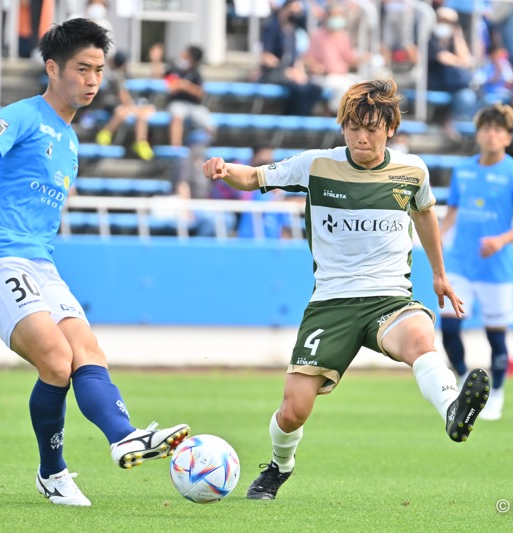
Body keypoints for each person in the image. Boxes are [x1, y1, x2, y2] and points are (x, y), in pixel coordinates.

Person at [202, 79, 490, 501]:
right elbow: (258, 177)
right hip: (331, 303)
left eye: (371, 127)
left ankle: (452, 410)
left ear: (390, 128)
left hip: (389, 297)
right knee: (294, 409)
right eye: (353, 126)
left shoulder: (412, 172)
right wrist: (226, 170)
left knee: (420, 340)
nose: (361, 136)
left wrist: (439, 274)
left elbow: (426, 214)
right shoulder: (317, 165)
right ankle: (279, 467)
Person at [0, 18, 189, 507]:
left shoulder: (72, 142)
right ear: (53, 68)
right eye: (82, 69)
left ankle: (124, 436)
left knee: (87, 350)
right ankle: (53, 473)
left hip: (40, 264)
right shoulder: (23, 114)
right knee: (57, 361)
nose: (92, 80)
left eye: (98, 70)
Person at [439, 103, 513, 422]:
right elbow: (452, 211)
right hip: (459, 264)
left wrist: (501, 240)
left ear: (508, 137)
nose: (491, 134)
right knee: (448, 329)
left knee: (495, 336)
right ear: (478, 133)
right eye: (486, 128)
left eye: (499, 130)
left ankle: (495, 393)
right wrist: (436, 240)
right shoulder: (463, 170)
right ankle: (467, 380)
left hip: (496, 269)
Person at [92, 50, 155, 160]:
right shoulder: (117, 75)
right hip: (111, 104)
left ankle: (141, 142)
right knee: (122, 111)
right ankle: (105, 133)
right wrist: (134, 108)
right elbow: (123, 96)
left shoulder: (126, 75)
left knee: (141, 114)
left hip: (120, 104)